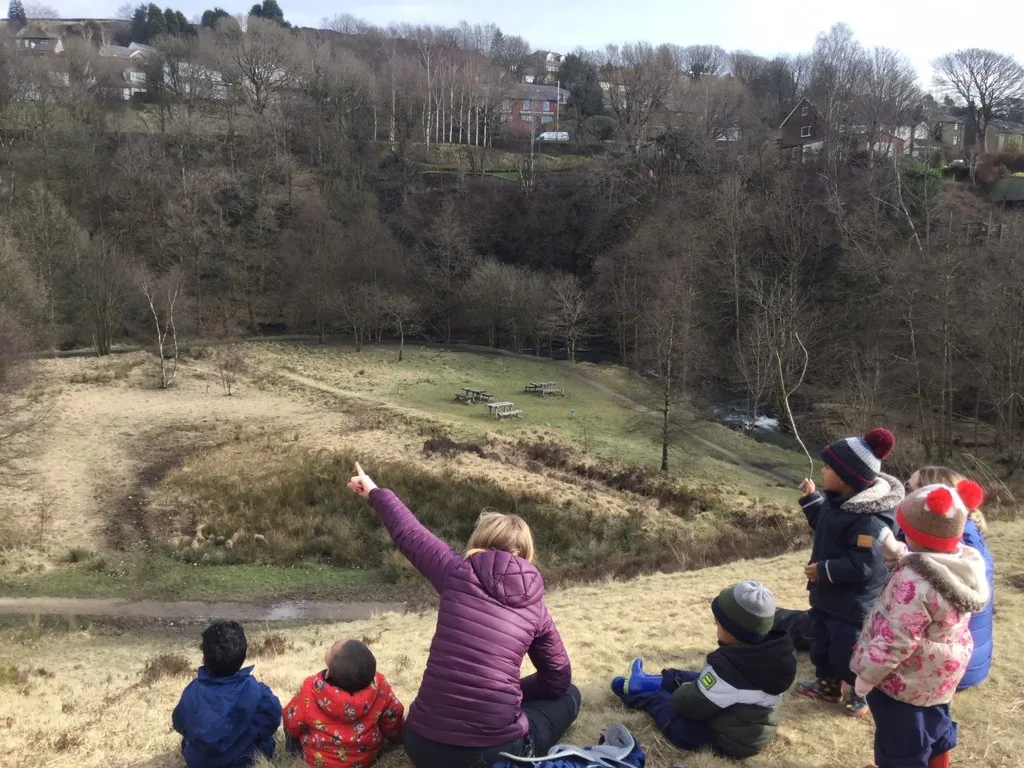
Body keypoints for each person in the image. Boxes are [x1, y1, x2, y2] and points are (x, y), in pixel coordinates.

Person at [347, 462, 580, 768]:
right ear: (526, 553)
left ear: (479, 541)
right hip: (494, 754)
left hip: (422, 745)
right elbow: (558, 680)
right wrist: (512, 693)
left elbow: (409, 532)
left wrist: (375, 491)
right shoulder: (536, 608)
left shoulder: (456, 571)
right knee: (570, 696)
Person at [851, 480, 990, 768]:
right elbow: (926, 561)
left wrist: (866, 675)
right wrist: (898, 553)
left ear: (915, 535)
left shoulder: (914, 583)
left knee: (900, 744)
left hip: (902, 682)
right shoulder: (960, 564)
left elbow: (896, 639)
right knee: (935, 728)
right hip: (937, 677)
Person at [610, 581, 797, 760]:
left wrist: (686, 688)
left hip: (725, 741)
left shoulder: (727, 671)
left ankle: (630, 692)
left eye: (718, 625)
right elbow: (719, 687)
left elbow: (687, 705)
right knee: (690, 677)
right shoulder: (772, 653)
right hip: (746, 728)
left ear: (732, 632)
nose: (716, 628)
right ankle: (643, 680)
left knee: (663, 701)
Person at [795, 428, 904, 717]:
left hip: (851, 606)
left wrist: (824, 570)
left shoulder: (868, 521)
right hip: (827, 598)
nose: (823, 470)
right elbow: (826, 525)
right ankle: (828, 685)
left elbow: (866, 564)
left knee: (849, 651)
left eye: (828, 467)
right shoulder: (838, 502)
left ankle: (860, 692)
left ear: (845, 477)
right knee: (822, 643)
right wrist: (812, 499)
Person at [904, 466, 994, 691]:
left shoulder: (947, 546)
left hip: (946, 672)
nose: (907, 496)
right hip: (969, 661)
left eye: (911, 489)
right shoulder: (966, 539)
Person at [172, 620, 282, 768]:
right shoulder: (258, 691)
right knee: (269, 741)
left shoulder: (192, 691)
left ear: (204, 658)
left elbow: (179, 723)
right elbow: (273, 720)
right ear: (243, 657)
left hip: (200, 762)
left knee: (186, 743)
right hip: (243, 761)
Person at [283, 638, 404, 768]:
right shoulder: (380, 685)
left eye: (333, 647)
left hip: (319, 761)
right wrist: (397, 739)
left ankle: (292, 753)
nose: (332, 643)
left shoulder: (310, 688)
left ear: (330, 672)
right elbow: (393, 718)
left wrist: (293, 738)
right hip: (365, 759)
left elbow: (291, 721)